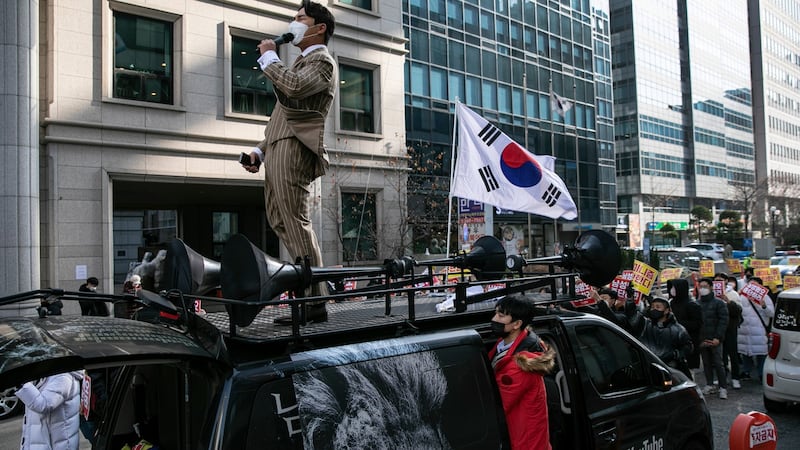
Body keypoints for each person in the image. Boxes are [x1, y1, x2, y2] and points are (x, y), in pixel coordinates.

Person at [242, 1, 337, 324]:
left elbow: (294, 87)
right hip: (280, 146)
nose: (293, 23)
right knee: (281, 221)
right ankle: (306, 295)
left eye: (300, 18)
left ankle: (314, 302)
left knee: (295, 223)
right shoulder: (297, 64)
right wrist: (260, 150)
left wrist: (269, 55)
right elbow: (284, 116)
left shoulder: (322, 61)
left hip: (295, 149)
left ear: (319, 27)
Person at [488, 295, 555, 450]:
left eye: (501, 315)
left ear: (517, 324)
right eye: (496, 313)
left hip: (524, 442)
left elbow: (495, 407)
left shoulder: (520, 366)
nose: (494, 319)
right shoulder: (505, 343)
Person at [16, 372, 83, 450]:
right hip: (42, 441)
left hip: (56, 444)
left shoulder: (63, 377)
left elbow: (44, 404)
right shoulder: (47, 375)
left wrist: (22, 384)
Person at [630, 297, 693, 378]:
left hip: (672, 370)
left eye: (658, 307)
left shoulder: (678, 329)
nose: (654, 309)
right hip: (649, 369)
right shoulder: (645, 325)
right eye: (652, 307)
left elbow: (688, 347)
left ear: (666, 310)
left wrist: (674, 354)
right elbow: (632, 320)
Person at [696, 277, 730, 399]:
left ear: (711, 287)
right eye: (701, 287)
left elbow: (724, 321)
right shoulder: (697, 304)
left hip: (715, 339)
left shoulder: (719, 303)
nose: (703, 289)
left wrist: (718, 337)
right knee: (706, 363)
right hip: (703, 339)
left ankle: (723, 387)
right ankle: (709, 384)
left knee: (718, 363)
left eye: (705, 286)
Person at [737, 277, 775, 382]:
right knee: (746, 352)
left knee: (761, 353)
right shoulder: (742, 297)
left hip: (759, 331)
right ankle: (746, 371)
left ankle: (761, 373)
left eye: (755, 286)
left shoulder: (766, 298)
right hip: (744, 330)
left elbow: (771, 313)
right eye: (750, 285)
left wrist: (763, 305)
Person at [666, 278, 703, 371]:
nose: (672, 290)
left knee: (689, 371)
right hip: (673, 342)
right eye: (671, 287)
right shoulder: (671, 303)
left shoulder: (692, 305)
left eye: (674, 287)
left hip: (689, 342)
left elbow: (697, 324)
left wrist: (678, 323)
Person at [721, 275, 743, 389]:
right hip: (718, 329)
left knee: (732, 354)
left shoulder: (733, 294)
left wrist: (728, 301)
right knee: (720, 355)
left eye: (720, 280)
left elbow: (738, 311)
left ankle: (735, 378)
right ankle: (722, 377)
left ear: (725, 281)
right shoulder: (712, 295)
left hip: (730, 328)